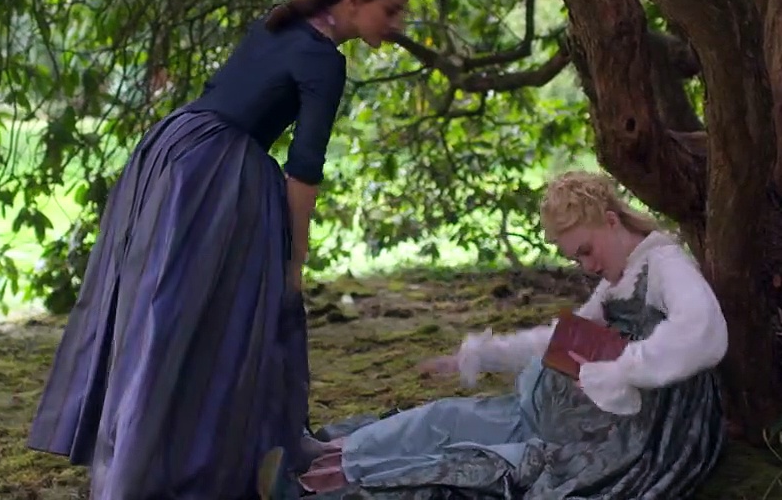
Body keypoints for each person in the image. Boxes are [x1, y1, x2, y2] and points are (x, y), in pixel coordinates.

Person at [25, 0, 418, 500]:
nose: (397, 24)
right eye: (392, 9)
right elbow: (304, 169)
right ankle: (156, 468)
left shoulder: (281, 22)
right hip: (214, 170)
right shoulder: (323, 60)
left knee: (162, 307)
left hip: (171, 147)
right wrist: (293, 260)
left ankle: (152, 457)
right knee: (194, 312)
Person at [300, 171, 729, 499]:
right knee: (445, 417)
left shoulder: (664, 264)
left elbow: (702, 332)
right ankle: (326, 457)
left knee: (474, 466)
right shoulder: (618, 278)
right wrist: (482, 355)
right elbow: (560, 340)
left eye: (586, 250)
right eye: (576, 258)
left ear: (612, 221)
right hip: (569, 417)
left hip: (627, 441)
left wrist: (623, 369)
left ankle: (332, 485)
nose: (587, 266)